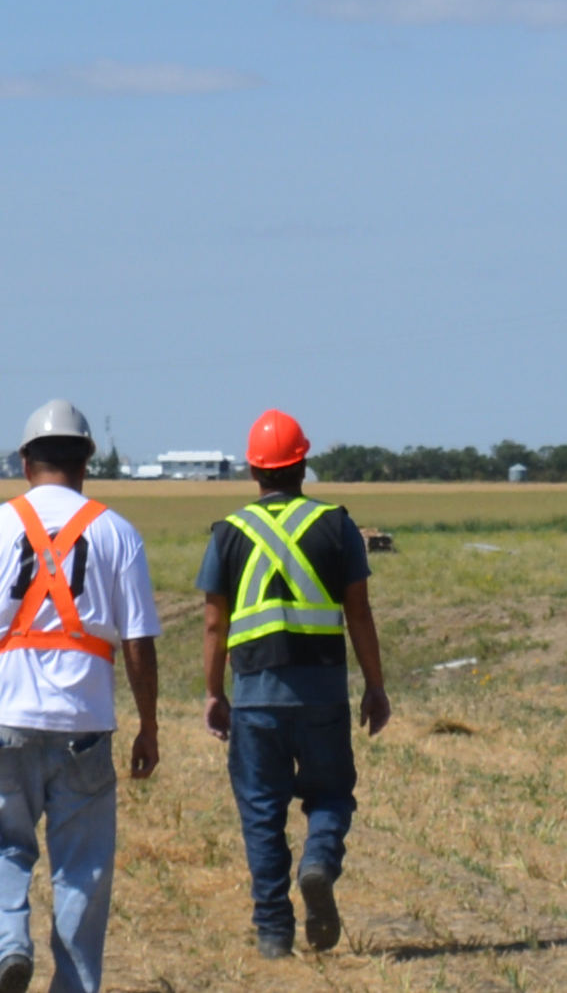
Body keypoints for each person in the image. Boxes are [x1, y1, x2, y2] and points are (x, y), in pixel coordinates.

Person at [0, 399, 160, 993]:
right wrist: (149, 726)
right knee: (81, 869)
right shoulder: (118, 532)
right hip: (85, 722)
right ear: (87, 459)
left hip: (4, 717)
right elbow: (138, 644)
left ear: (25, 460)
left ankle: (8, 946)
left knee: (2, 851)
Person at [196, 409, 388, 961]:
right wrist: (375, 686)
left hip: (255, 700)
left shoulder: (228, 534)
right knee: (330, 794)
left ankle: (274, 933)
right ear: (302, 463)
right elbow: (360, 614)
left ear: (253, 470)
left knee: (261, 811)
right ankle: (320, 862)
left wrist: (214, 693)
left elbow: (214, 623)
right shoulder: (338, 526)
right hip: (324, 695)